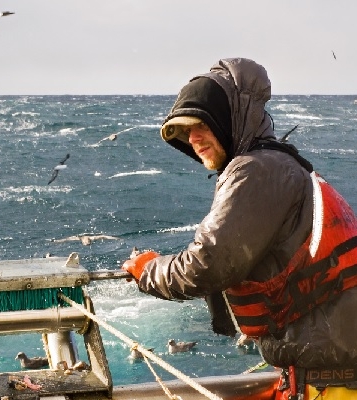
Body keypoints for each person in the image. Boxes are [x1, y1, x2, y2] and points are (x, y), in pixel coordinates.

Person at [121, 58, 357, 399]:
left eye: (201, 125)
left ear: (229, 120)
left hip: (329, 384)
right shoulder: (282, 166)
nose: (193, 138)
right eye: (186, 131)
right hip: (327, 375)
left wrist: (147, 270)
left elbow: (206, 265)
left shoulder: (257, 171)